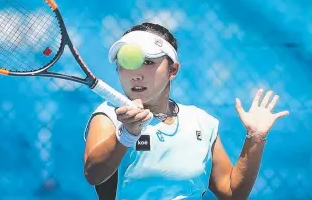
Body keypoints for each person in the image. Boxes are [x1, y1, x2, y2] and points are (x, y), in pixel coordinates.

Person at [83, 22, 289, 199]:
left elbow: (232, 193)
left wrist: (255, 138)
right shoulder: (109, 116)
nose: (136, 74)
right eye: (127, 63)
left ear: (173, 70)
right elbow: (93, 175)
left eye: (148, 62)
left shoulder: (201, 122)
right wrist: (127, 134)